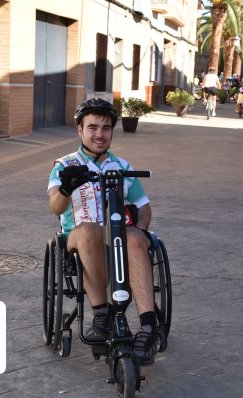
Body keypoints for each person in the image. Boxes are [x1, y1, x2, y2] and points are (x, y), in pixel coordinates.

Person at [47, 98, 158, 365]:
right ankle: (101, 315)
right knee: (89, 232)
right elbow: (55, 207)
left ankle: (148, 327)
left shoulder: (122, 166)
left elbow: (144, 206)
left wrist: (141, 230)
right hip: (78, 237)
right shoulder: (64, 165)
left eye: (106, 128)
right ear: (80, 130)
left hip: (116, 237)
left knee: (134, 239)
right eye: (93, 127)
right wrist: (65, 188)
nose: (99, 134)